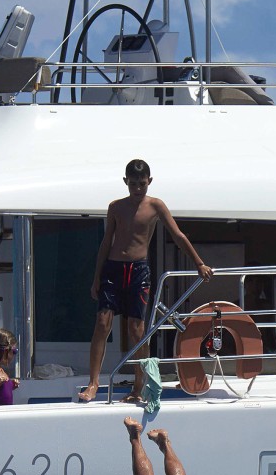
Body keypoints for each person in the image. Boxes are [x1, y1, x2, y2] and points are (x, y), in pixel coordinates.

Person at [79, 159, 213, 402]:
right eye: (133, 184)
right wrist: (97, 277)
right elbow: (106, 242)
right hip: (113, 268)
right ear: (125, 182)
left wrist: (198, 263)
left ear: (149, 181)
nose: (138, 188)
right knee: (102, 322)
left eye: (142, 183)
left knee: (137, 329)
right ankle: (93, 383)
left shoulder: (156, 205)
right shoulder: (116, 207)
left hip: (138, 271)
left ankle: (138, 386)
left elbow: (178, 235)